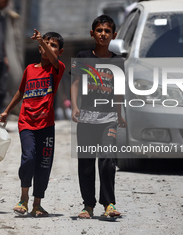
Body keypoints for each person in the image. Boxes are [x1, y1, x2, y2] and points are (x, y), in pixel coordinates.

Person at [0, 29, 65, 217]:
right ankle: (24, 198)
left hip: (46, 125)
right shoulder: (29, 69)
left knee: (44, 164)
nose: (48, 47)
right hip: (27, 122)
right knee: (29, 157)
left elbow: (52, 59)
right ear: (38, 48)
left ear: (59, 52)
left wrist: (42, 41)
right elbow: (21, 91)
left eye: (53, 45)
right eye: (45, 44)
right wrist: (7, 111)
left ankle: (37, 204)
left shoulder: (56, 68)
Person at [71, 15, 126, 219]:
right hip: (86, 119)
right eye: (99, 30)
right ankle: (88, 206)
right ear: (92, 33)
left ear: (114, 35)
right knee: (86, 163)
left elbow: (119, 90)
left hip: (109, 118)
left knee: (107, 160)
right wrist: (75, 106)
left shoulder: (117, 61)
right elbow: (75, 82)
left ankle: (109, 204)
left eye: (107, 31)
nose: (103, 34)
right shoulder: (83, 56)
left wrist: (119, 114)